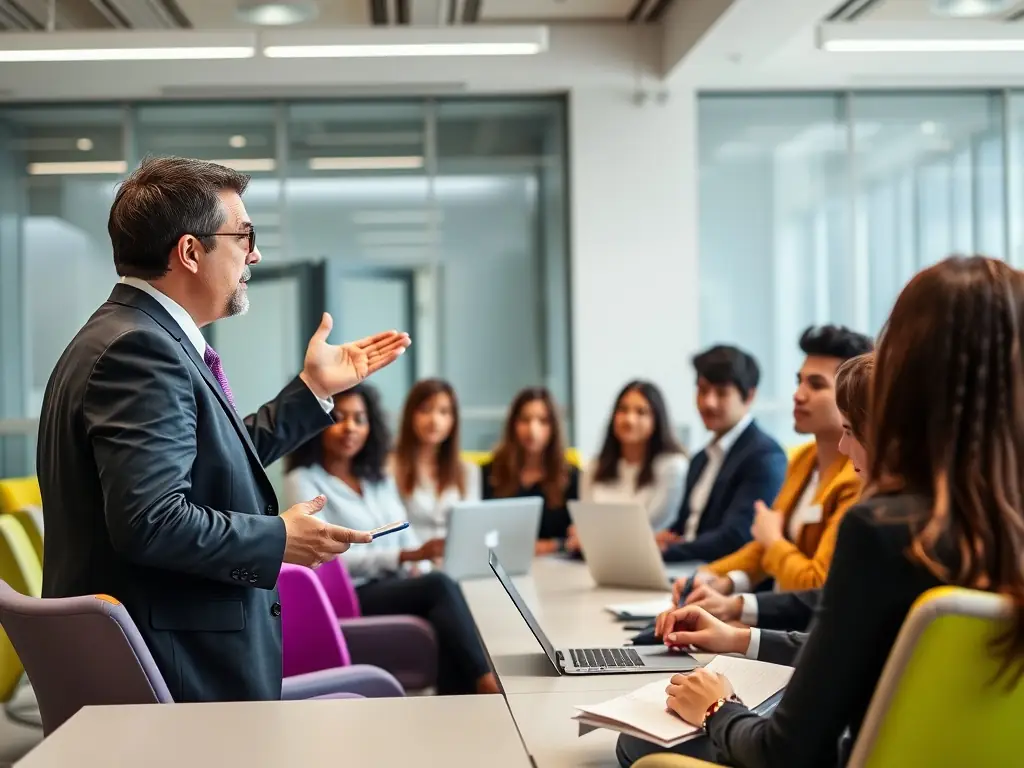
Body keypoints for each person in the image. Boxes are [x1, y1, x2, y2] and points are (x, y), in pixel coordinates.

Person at [619, 254, 1024, 767]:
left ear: (905, 372)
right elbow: (875, 650)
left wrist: (717, 708)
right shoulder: (1000, 525)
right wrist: (743, 637)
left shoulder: (886, 530)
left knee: (642, 740)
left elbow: (786, 754)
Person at [36, 156, 410, 703]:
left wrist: (313, 391)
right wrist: (278, 538)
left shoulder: (129, 334)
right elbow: (152, 521)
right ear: (190, 251)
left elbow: (213, 460)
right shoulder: (140, 351)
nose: (254, 254)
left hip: (160, 656)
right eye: (244, 236)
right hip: (176, 670)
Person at [283, 384, 500, 695]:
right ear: (318, 423)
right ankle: (485, 681)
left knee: (442, 596)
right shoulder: (303, 480)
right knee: (438, 588)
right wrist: (403, 558)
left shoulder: (377, 477)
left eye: (359, 419)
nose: (350, 428)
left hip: (391, 583)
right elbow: (324, 556)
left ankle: (461, 704)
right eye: (338, 417)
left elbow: (404, 532)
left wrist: (419, 562)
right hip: (351, 593)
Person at [685, 352, 874, 629]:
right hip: (778, 620)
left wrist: (773, 539)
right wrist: (709, 577)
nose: (798, 395)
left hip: (795, 627)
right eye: (799, 382)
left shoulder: (857, 478)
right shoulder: (803, 459)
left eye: (816, 385)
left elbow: (816, 584)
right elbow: (762, 551)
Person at [658, 345, 787, 564]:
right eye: (702, 390)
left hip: (724, 578)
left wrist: (666, 553)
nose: (708, 402)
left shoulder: (764, 456)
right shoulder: (700, 458)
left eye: (721, 393)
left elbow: (736, 537)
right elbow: (685, 526)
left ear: (749, 396)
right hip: (687, 569)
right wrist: (664, 539)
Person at [579, 380, 688, 535]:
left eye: (641, 412)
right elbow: (586, 524)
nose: (629, 420)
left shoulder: (672, 467)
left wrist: (594, 535)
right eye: (623, 410)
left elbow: (654, 526)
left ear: (657, 419)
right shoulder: (594, 468)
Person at [481, 387, 580, 555]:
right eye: (525, 420)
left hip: (558, 567)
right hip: (501, 565)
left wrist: (550, 546)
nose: (532, 430)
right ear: (513, 425)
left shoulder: (571, 476)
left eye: (543, 421)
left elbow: (578, 538)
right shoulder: (490, 473)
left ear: (554, 427)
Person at [394, 378, 481, 542]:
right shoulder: (391, 467)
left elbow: (473, 527)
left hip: (456, 561)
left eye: (444, 412)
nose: (434, 420)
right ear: (410, 415)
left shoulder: (468, 470)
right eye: (425, 410)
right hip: (410, 560)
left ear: (453, 420)